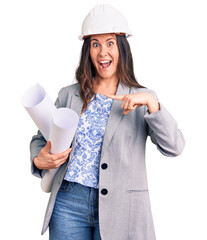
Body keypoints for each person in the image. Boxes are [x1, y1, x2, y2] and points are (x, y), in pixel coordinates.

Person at [30, 4, 185, 240]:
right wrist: (38, 158)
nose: (103, 52)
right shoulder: (68, 95)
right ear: (88, 51)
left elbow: (174, 147)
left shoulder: (141, 98)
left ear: (121, 48)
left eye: (110, 43)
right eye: (95, 44)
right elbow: (41, 137)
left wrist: (153, 104)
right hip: (68, 203)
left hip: (121, 206)